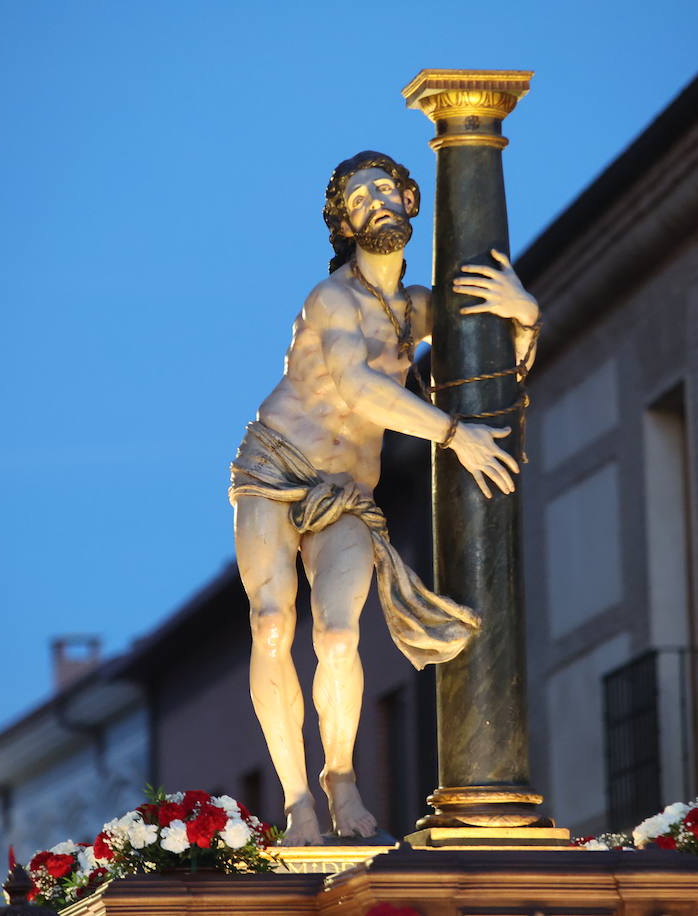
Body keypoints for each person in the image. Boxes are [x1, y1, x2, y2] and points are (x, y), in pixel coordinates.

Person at [229, 151, 539, 845]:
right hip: (273, 467)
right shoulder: (331, 299)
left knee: (339, 635)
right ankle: (297, 800)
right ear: (344, 223)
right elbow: (358, 387)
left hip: (346, 488)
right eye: (358, 198)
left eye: (384, 190)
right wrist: (453, 434)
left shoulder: (420, 306)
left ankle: (340, 777)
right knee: (272, 624)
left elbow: (493, 363)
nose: (374, 203)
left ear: (410, 199)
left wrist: (523, 317)